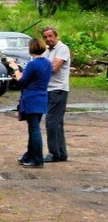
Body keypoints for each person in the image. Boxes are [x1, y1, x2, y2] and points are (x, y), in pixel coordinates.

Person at [13, 38, 53, 168]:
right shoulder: (47, 63)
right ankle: (29, 156)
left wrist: (15, 69)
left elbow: (22, 81)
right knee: (34, 128)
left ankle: (37, 159)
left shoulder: (33, 64)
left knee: (34, 129)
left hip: (31, 98)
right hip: (42, 97)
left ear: (31, 49)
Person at [41, 26, 71, 163]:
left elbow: (54, 68)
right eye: (45, 37)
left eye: (50, 36)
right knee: (57, 122)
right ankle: (61, 153)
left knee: (51, 122)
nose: (48, 39)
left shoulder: (62, 48)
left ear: (56, 36)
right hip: (49, 89)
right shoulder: (47, 51)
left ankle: (53, 152)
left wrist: (42, 67)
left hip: (58, 89)